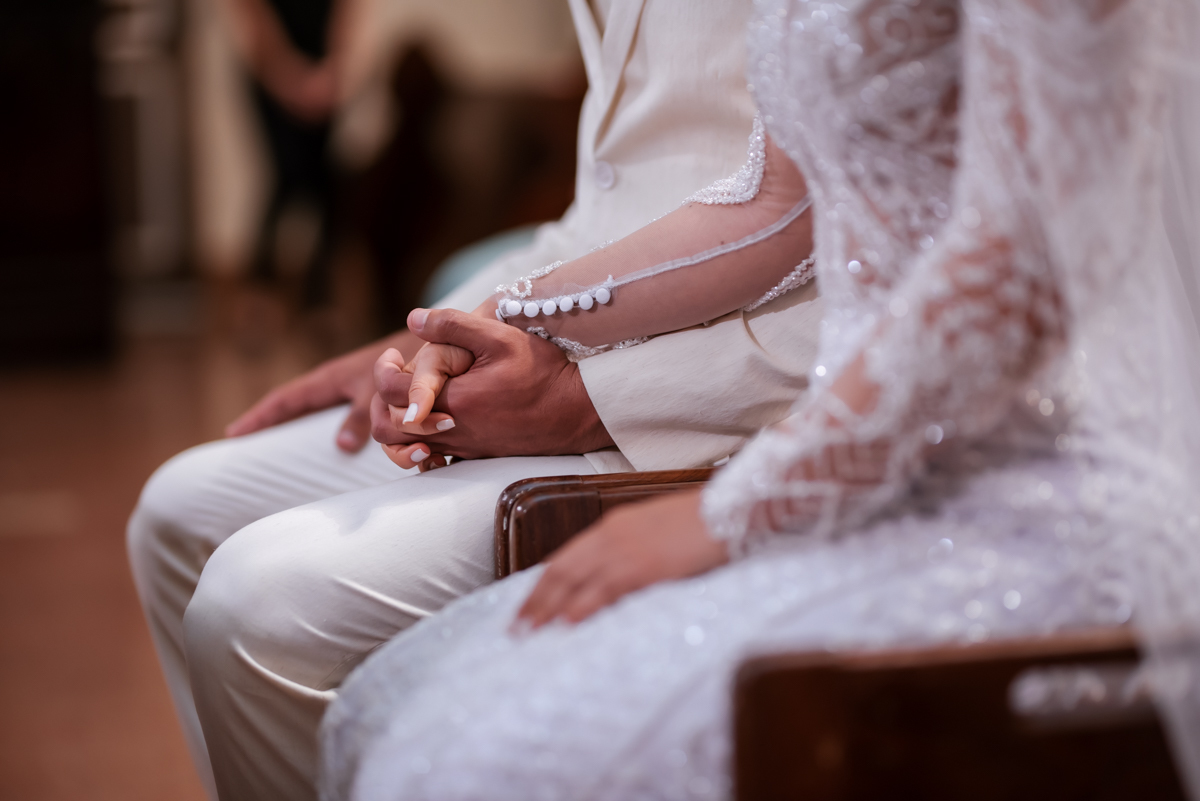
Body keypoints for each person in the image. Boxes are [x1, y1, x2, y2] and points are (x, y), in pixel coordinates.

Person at [320, 0, 1200, 799]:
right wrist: (508, 320)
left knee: (455, 766)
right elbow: (778, 208)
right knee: (382, 702)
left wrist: (731, 510)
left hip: (1029, 493)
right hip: (859, 479)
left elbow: (1025, 266)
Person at [126, 2, 824, 800]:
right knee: (178, 508)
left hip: (723, 387)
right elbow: (605, 213)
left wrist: (575, 383)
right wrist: (426, 338)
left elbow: (799, 221)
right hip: (580, 337)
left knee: (258, 603)